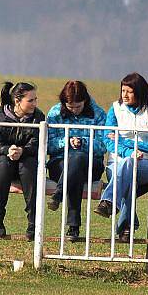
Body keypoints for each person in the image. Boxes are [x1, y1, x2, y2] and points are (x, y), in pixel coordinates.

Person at [94, 73, 148, 241]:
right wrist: (129, 153)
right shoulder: (115, 109)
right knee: (128, 174)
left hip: (145, 164)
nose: (124, 95)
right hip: (115, 164)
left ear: (139, 92)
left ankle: (109, 202)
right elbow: (108, 141)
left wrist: (127, 142)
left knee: (129, 168)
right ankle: (127, 226)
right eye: (122, 90)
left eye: (129, 91)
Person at [45, 80, 106, 242]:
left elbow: (103, 145)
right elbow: (48, 145)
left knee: (78, 158)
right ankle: (73, 225)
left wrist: (83, 143)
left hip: (91, 164)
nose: (74, 110)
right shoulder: (54, 114)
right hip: (59, 163)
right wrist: (67, 141)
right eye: (70, 107)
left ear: (85, 101)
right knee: (74, 168)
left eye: (78, 107)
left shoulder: (98, 115)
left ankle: (59, 193)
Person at [0, 82, 44, 240]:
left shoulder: (38, 117)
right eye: (30, 100)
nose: (35, 104)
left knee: (29, 167)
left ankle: (33, 223)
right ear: (17, 101)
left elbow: (36, 142)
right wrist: (8, 150)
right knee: (2, 166)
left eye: (35, 99)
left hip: (27, 160)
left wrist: (23, 151)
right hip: (3, 158)